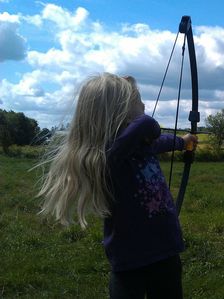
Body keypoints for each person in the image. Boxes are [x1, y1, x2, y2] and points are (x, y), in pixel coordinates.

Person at [37, 73, 197, 298]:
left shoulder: (139, 145)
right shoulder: (108, 156)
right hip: (130, 258)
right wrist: (145, 122)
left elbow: (157, 140)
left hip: (165, 249)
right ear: (118, 111)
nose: (144, 105)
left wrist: (183, 141)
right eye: (137, 100)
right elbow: (149, 127)